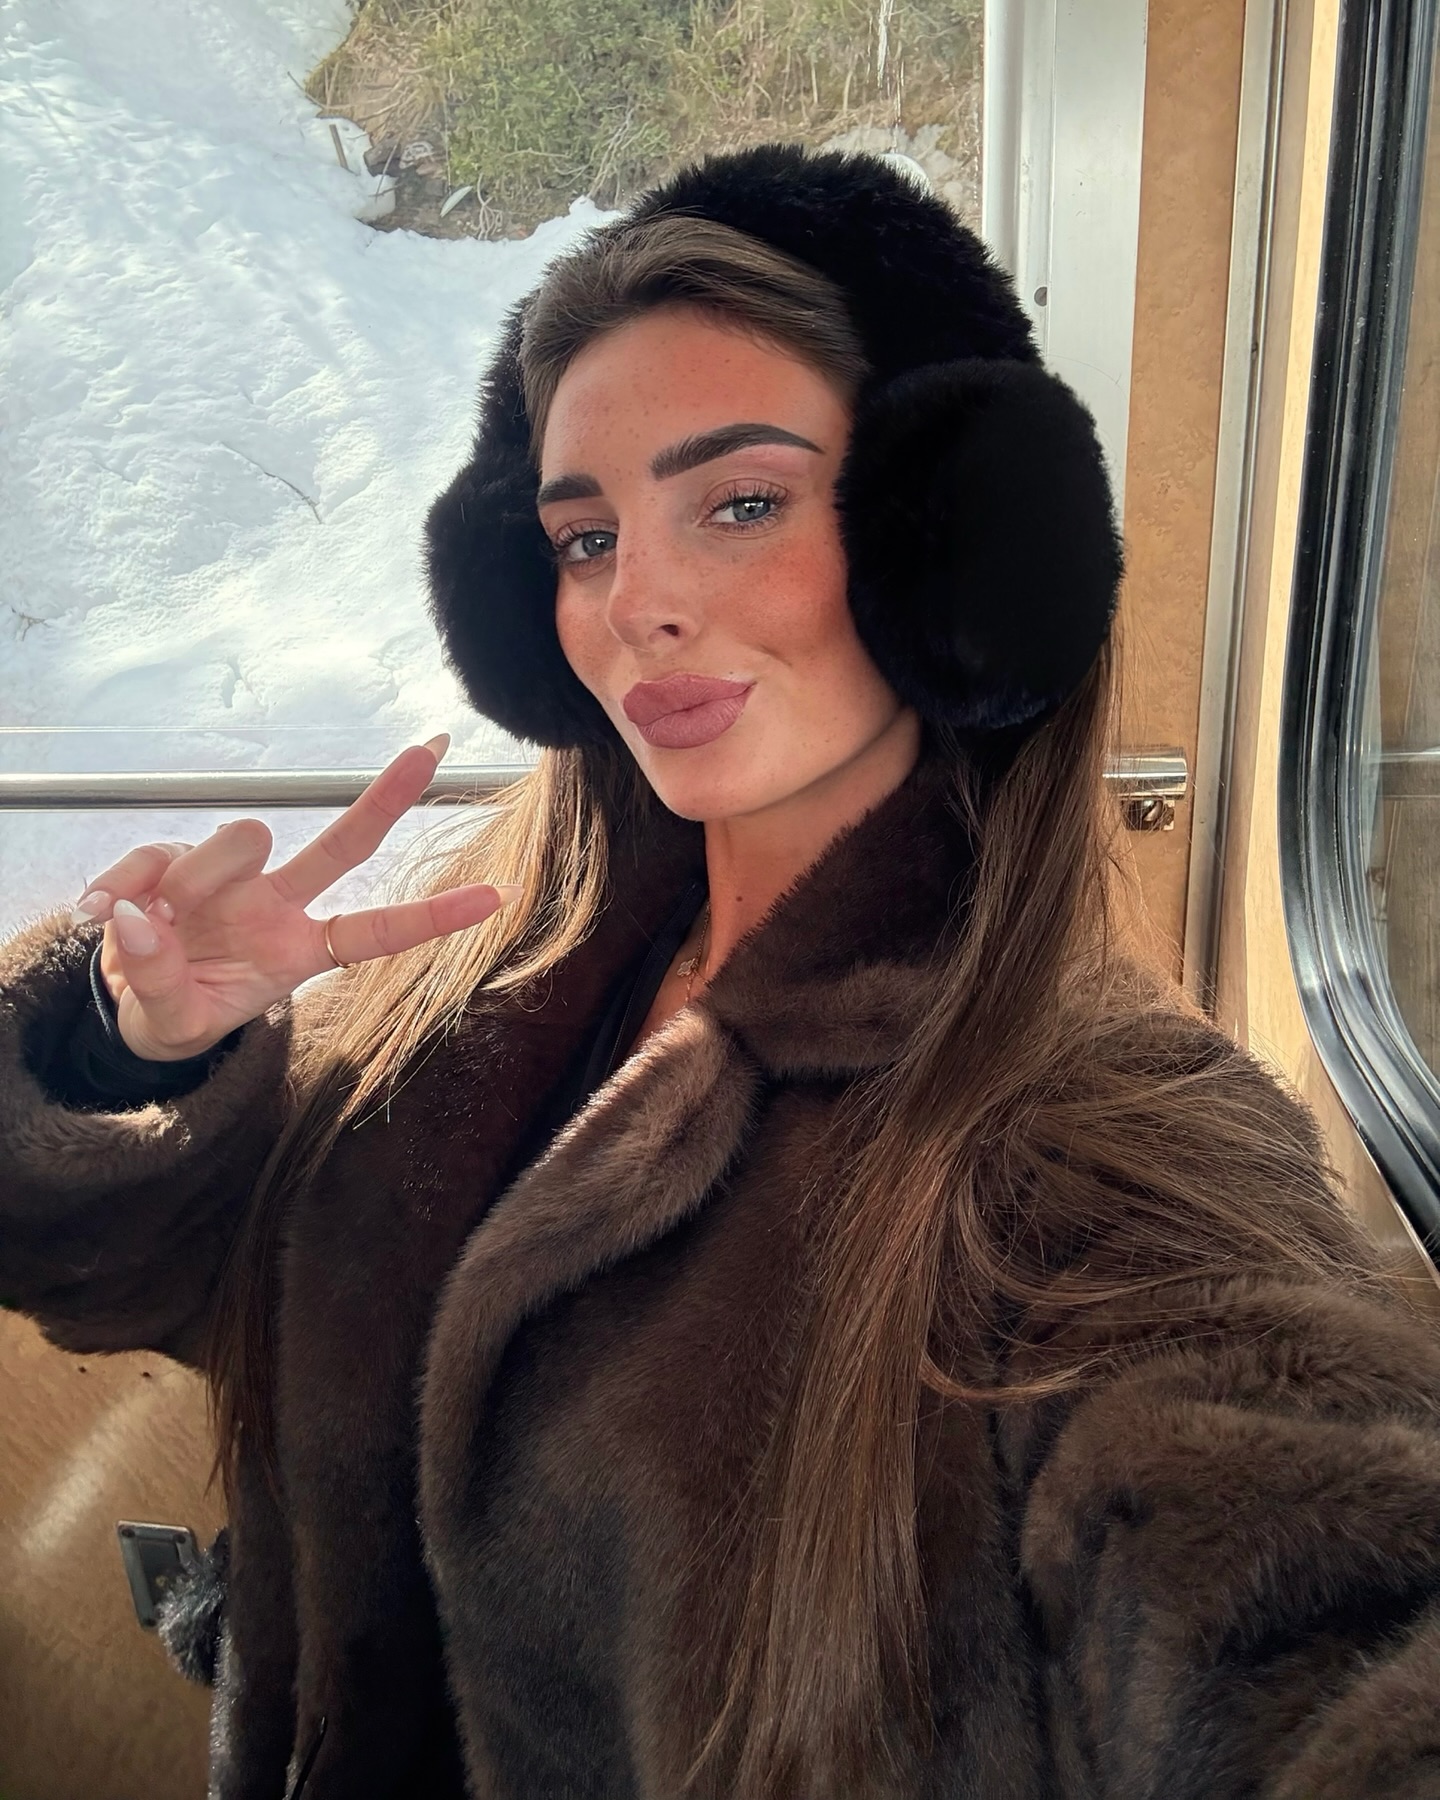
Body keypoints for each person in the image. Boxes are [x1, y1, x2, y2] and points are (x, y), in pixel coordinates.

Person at [2, 144, 1438, 1800]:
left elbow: (1308, 1570)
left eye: (740, 504)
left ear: (950, 543)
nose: (637, 604)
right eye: (583, 538)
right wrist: (135, 1050)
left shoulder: (1103, 1133)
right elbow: (159, 1283)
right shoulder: (484, 974)